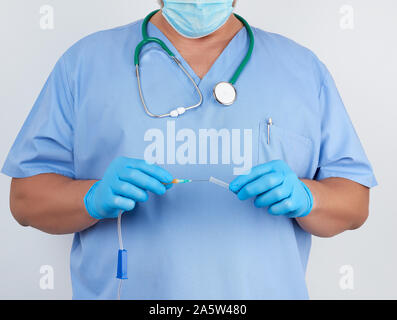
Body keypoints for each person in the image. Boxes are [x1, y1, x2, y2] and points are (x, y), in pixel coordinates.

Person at [3, 0, 376, 299]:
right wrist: (89, 197)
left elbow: (355, 205)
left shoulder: (302, 70)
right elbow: (25, 202)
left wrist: (309, 197)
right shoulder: (84, 64)